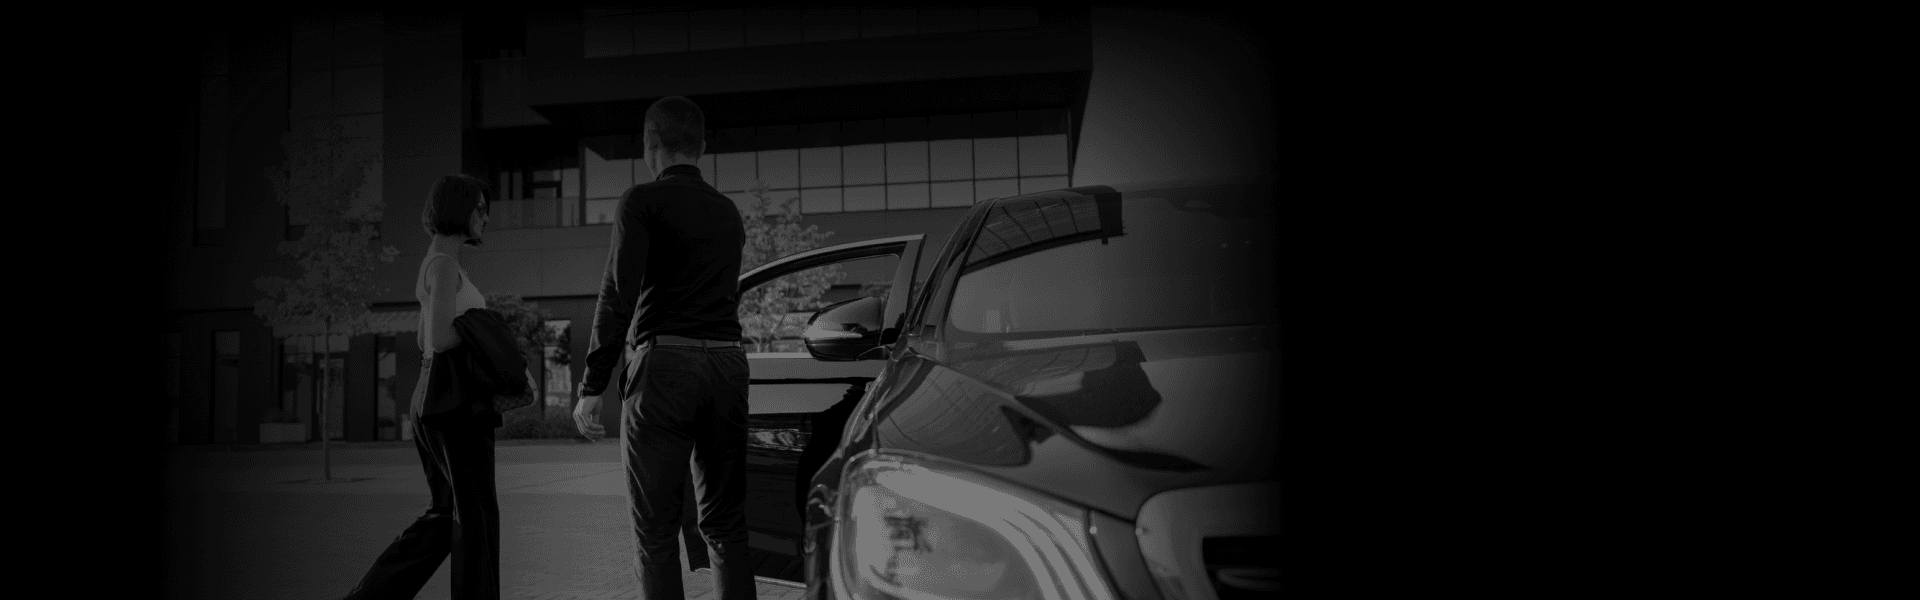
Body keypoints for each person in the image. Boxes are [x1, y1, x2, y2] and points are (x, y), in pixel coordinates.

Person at [572, 96, 752, 600]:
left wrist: (592, 385)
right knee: (726, 525)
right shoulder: (728, 212)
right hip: (727, 364)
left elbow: (618, 295)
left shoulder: (642, 201)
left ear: (649, 145)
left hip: (666, 367)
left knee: (655, 534)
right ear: (702, 146)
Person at [345, 174, 501, 600]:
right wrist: (487, 332)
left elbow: (421, 339)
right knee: (476, 516)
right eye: (480, 208)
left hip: (430, 395)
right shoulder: (445, 264)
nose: (486, 217)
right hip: (454, 402)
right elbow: (441, 337)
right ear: (458, 208)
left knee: (446, 512)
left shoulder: (435, 262)